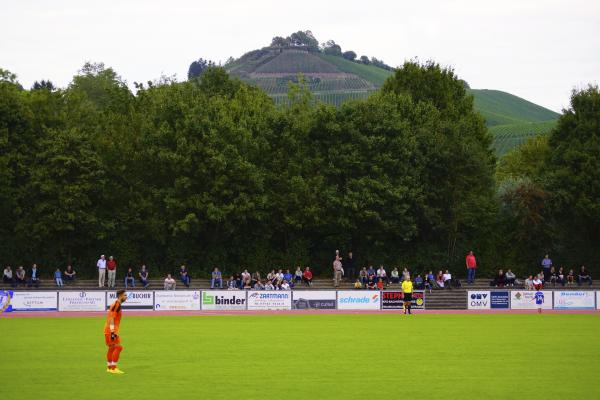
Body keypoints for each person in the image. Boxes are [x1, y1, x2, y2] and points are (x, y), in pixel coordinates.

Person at [104, 289, 127, 374]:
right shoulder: (116, 304)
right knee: (118, 347)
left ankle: (109, 368)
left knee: (112, 348)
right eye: (125, 295)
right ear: (120, 295)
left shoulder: (117, 304)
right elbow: (111, 318)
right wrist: (113, 332)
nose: (126, 297)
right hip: (111, 330)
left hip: (108, 329)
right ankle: (114, 368)